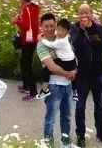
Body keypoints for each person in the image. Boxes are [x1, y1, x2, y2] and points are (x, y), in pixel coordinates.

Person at [70, 3, 102, 146]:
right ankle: (80, 135)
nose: (84, 16)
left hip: (98, 73)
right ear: (78, 15)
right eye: (81, 13)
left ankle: (101, 131)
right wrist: (82, 31)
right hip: (82, 75)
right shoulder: (74, 30)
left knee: (99, 104)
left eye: (86, 13)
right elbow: (74, 46)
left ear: (92, 14)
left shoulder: (101, 30)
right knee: (80, 106)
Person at [38, 13, 77, 147]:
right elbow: (51, 67)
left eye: (52, 26)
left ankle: (65, 143)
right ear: (41, 27)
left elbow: (73, 57)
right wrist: (68, 74)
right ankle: (48, 145)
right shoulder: (42, 46)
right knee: (50, 119)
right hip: (54, 86)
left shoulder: (63, 38)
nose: (49, 29)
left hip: (67, 86)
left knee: (66, 117)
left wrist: (75, 71)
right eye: (46, 26)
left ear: (56, 25)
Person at [14, 0, 42, 100]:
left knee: (26, 64)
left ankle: (33, 91)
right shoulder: (33, 8)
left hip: (28, 40)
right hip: (33, 39)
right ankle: (26, 85)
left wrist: (17, 21)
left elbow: (26, 26)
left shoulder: (27, 9)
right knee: (24, 61)